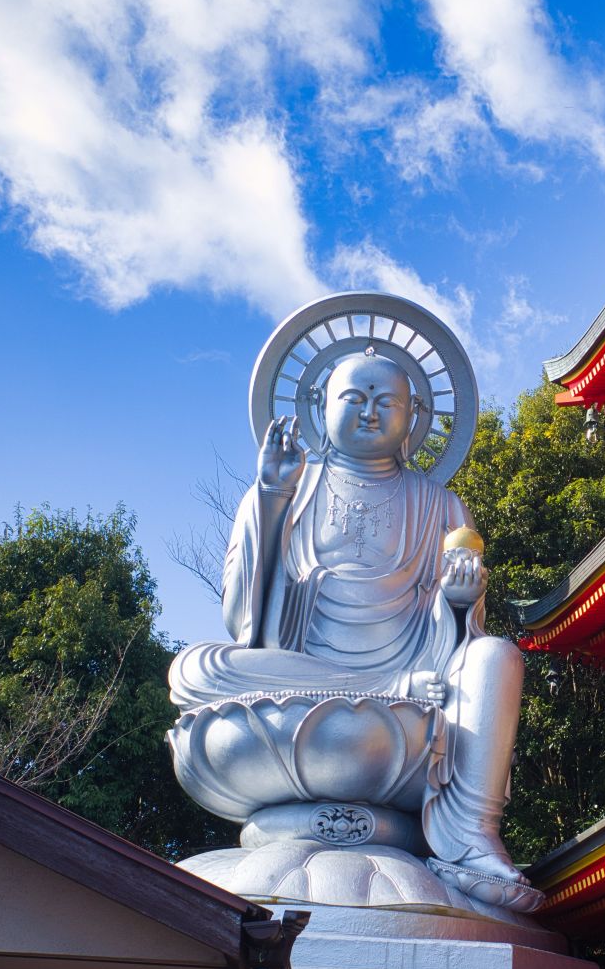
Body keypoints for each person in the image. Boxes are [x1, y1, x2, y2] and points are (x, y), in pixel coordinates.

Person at [168, 349, 537, 910]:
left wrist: (458, 604)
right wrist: (271, 497)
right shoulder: (287, 487)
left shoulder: (440, 504)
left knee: (497, 658)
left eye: (386, 402)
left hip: (415, 687)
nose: (369, 413)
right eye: (354, 399)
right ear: (321, 406)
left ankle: (470, 834)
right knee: (198, 667)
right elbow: (243, 620)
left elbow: (460, 645)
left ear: (412, 416)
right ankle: (382, 701)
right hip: (314, 684)